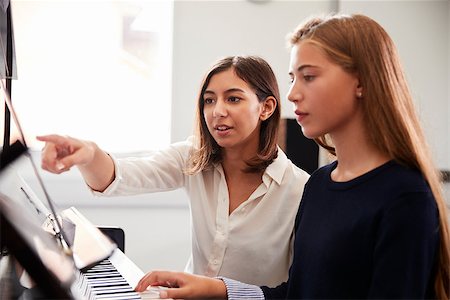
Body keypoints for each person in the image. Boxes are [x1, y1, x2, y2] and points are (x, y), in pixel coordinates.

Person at [134, 13, 450, 299]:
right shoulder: (320, 185)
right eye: (292, 78)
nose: (292, 94)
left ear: (361, 82)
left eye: (309, 76)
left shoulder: (404, 196)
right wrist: (217, 289)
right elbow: (295, 294)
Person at [37, 55, 310, 287]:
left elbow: (302, 288)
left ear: (266, 107)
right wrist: (89, 154)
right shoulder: (193, 157)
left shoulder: (300, 190)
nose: (217, 111)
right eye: (209, 100)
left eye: (234, 99)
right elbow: (121, 176)